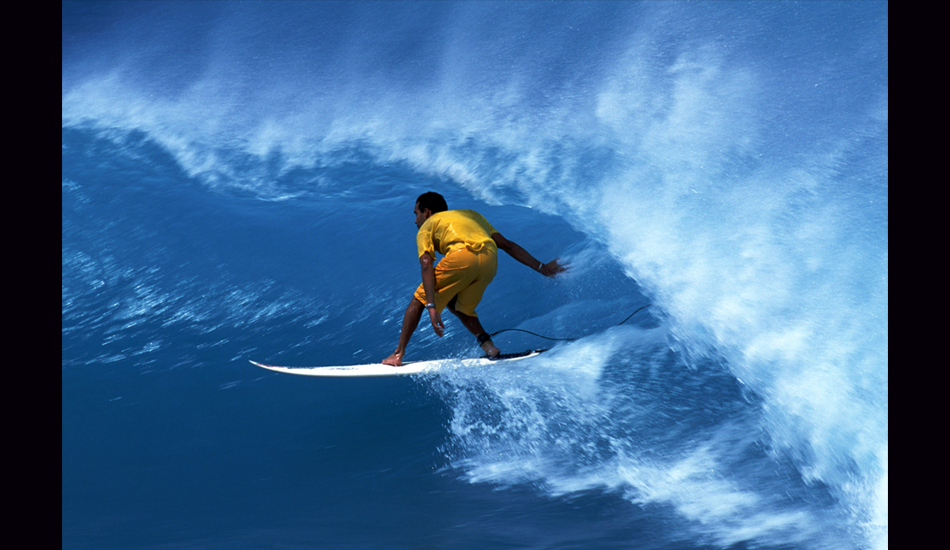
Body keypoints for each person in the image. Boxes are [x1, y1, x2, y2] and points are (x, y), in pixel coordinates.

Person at [382, 192, 566, 366]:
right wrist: (544, 268)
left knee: (418, 299)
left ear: (427, 212)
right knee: (458, 306)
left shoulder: (427, 225)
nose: (415, 220)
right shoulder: (472, 215)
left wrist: (431, 305)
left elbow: (425, 263)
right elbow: (508, 245)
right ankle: (489, 346)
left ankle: (398, 354)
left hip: (461, 257)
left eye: (416, 214)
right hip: (489, 260)